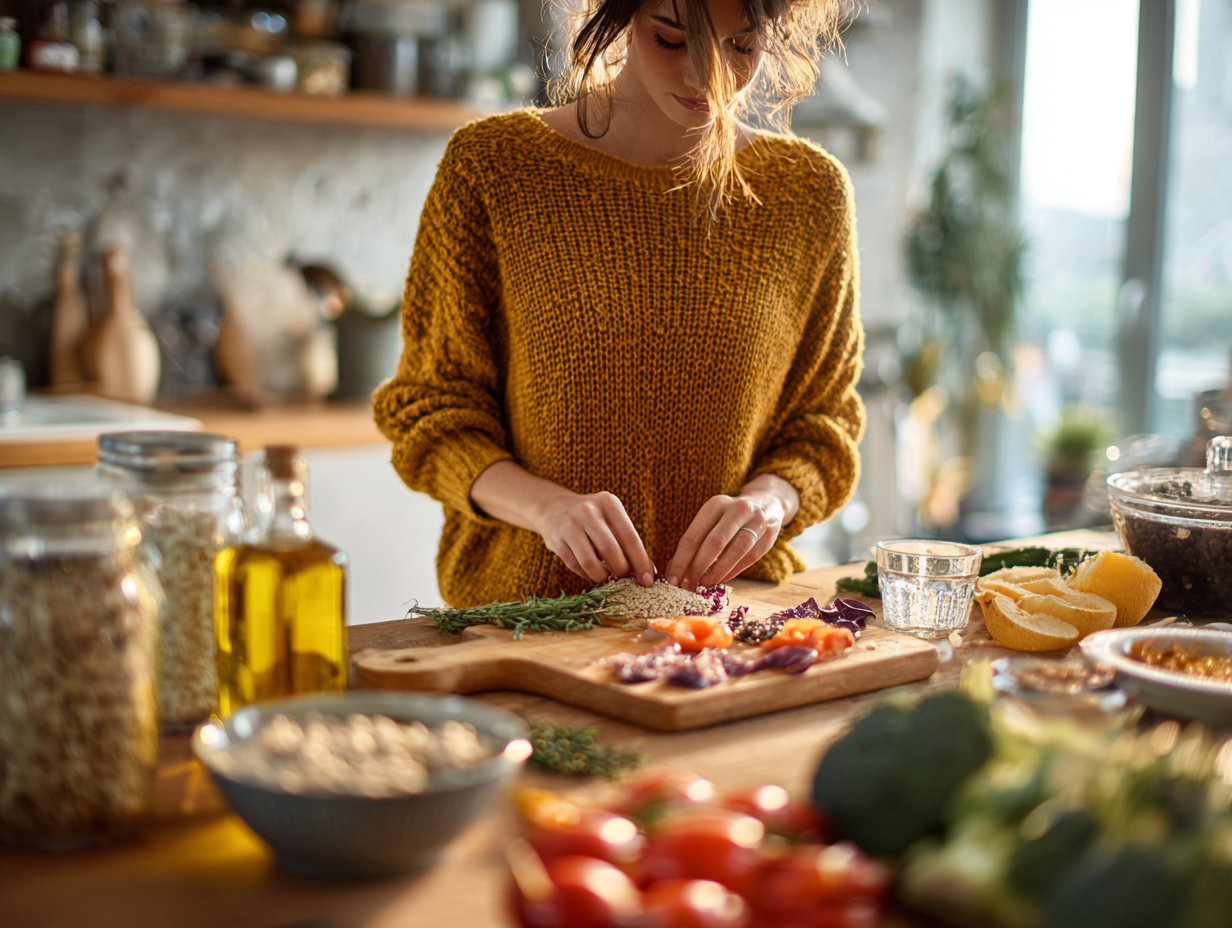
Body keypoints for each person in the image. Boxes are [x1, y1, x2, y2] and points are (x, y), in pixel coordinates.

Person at [374, 0, 865, 607]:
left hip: (730, 625)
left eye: (741, 48)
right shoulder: (494, 169)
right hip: (525, 622)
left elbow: (823, 425)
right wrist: (547, 509)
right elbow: (434, 410)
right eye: (671, 39)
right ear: (619, 14)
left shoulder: (808, 194)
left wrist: (770, 501)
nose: (704, 76)